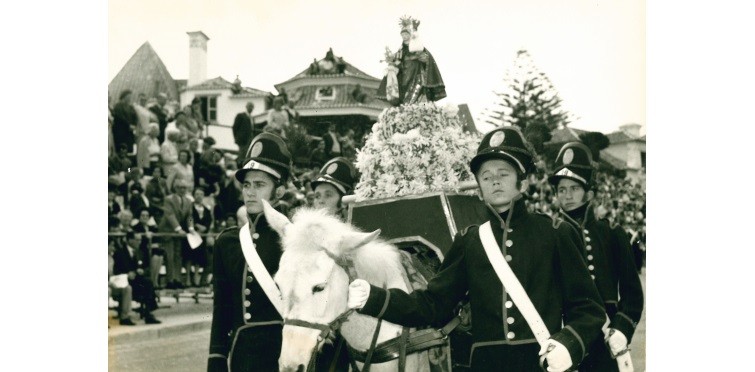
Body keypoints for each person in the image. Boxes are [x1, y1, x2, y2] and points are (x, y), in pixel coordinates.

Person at [347, 127, 605, 371]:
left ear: (523, 182)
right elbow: (433, 304)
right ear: (479, 188)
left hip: (540, 363)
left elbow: (588, 308)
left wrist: (569, 343)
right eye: (486, 176)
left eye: (503, 173)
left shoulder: (555, 233)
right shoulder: (470, 241)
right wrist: (374, 298)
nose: (495, 181)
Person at [548, 142, 644, 372]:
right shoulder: (548, 234)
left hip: (605, 339)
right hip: (565, 339)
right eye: (562, 189)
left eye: (574, 188)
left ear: (589, 192)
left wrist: (622, 328)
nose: (567, 195)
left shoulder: (611, 232)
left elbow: (632, 293)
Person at [207, 132, 292, 372]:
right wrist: (217, 359)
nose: (250, 192)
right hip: (242, 354)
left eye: (260, 185)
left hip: (282, 352)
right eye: (246, 184)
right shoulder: (227, 242)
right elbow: (221, 308)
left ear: (280, 191)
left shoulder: (291, 236)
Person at [377, 16, 446, 106]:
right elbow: (397, 63)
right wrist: (393, 64)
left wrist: (423, 58)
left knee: (417, 93)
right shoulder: (400, 51)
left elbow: (426, 58)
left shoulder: (418, 47)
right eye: (403, 35)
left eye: (406, 34)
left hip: (416, 74)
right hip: (404, 76)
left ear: (410, 35)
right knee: (404, 93)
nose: (404, 37)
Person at [112, 231, 162, 324]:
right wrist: (127, 274)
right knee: (137, 286)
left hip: (137, 280)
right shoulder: (120, 253)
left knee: (148, 283)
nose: (139, 242)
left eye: (140, 240)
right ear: (130, 240)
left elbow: (147, 267)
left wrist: (142, 271)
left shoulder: (140, 252)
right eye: (137, 240)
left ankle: (148, 313)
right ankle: (127, 315)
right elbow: (115, 271)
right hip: (124, 280)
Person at [158, 179, 193, 290]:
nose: (183, 190)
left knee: (178, 256)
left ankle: (177, 279)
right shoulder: (168, 199)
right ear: (175, 188)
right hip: (168, 230)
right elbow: (170, 215)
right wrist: (178, 229)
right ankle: (170, 280)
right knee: (170, 256)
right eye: (180, 188)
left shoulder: (188, 201)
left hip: (179, 232)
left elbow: (189, 216)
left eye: (184, 188)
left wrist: (191, 228)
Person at [108, 238, 135, 325]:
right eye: (111, 246)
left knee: (127, 288)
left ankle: (125, 317)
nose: (113, 248)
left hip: (112, 283)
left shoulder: (111, 259)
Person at [112, 90, 138, 154]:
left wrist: (134, 125)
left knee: (129, 150)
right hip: (121, 132)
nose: (130, 98)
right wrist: (128, 125)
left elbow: (135, 116)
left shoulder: (130, 107)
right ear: (124, 96)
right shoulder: (118, 106)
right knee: (122, 150)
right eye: (128, 96)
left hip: (129, 133)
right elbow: (120, 118)